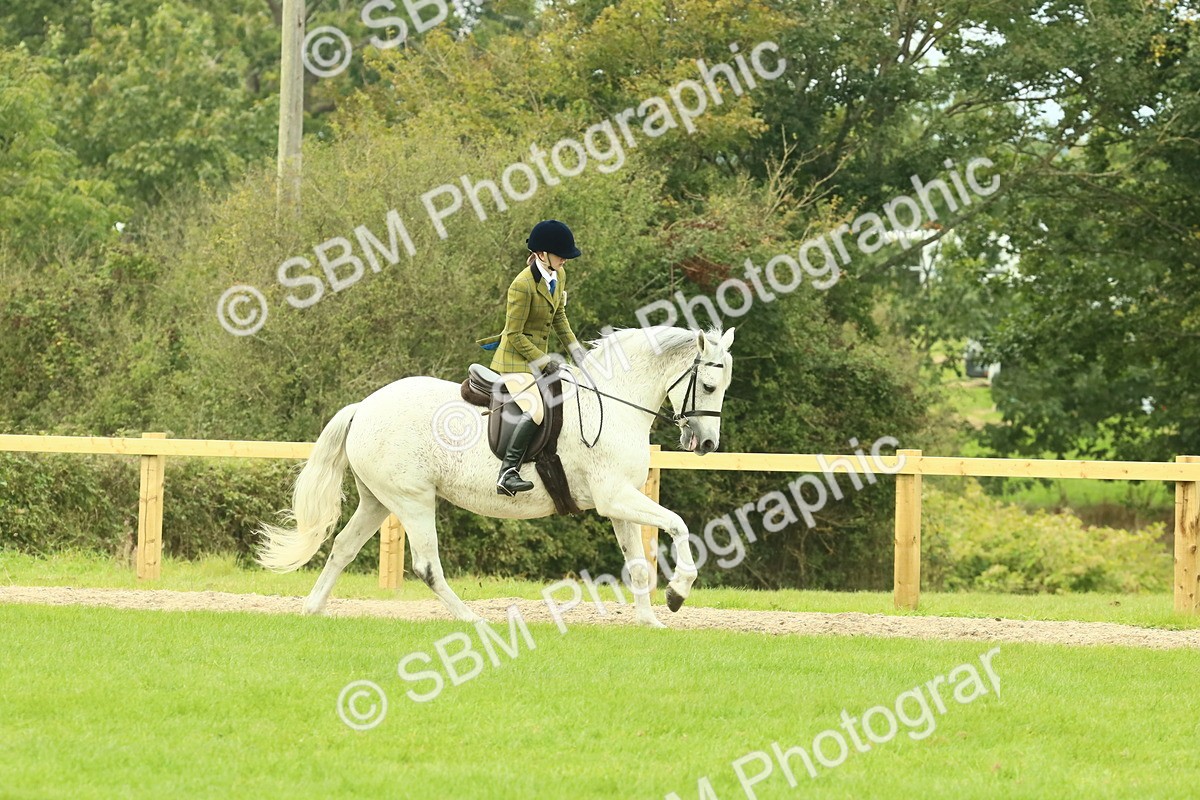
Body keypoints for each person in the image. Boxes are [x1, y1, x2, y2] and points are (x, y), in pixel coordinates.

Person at [478, 220, 588, 496]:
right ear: (541, 254)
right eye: (559, 254)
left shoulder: (558, 275)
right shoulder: (522, 285)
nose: (564, 259)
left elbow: (559, 317)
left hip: (536, 359)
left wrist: (577, 352)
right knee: (535, 410)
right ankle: (507, 472)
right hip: (514, 361)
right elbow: (514, 334)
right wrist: (544, 360)